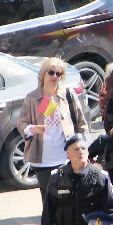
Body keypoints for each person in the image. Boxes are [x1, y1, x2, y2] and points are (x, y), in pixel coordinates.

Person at [20, 58, 89, 197]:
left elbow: (81, 123)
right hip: (42, 160)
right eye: (51, 72)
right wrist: (32, 129)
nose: (55, 76)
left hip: (65, 157)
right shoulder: (33, 97)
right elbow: (22, 123)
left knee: (67, 197)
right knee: (48, 200)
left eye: (58, 73)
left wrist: (82, 145)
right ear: (43, 74)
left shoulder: (67, 94)